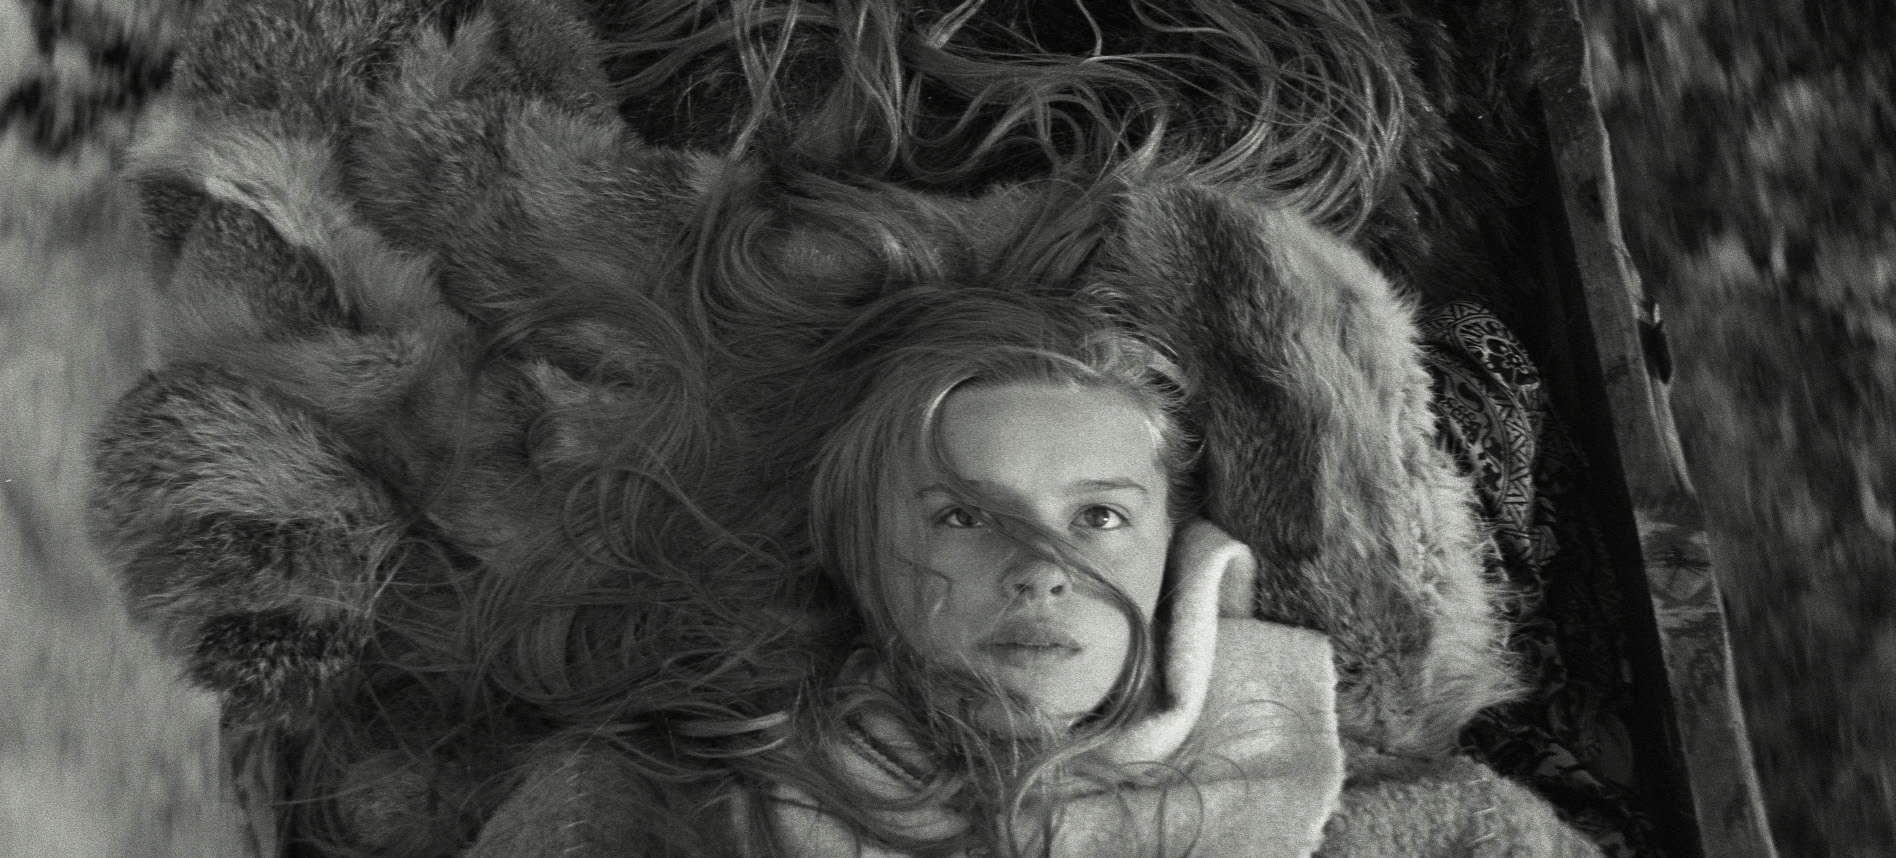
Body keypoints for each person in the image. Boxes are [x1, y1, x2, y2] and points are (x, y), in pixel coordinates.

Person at [466, 286, 1345, 857]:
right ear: (857, 546)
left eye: (1099, 518)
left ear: (1174, 547)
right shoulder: (631, 803)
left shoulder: (1330, 790)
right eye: (963, 517)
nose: (1040, 573)